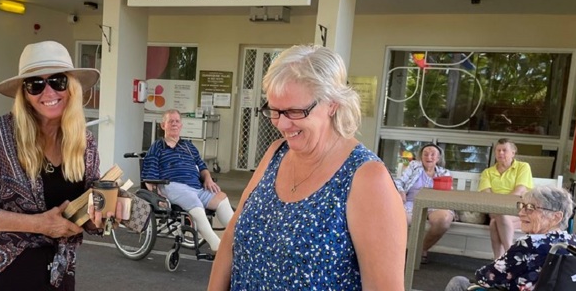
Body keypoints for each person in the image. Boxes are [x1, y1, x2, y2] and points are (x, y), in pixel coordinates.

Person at [208, 45, 406, 290]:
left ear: (332, 104)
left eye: (294, 111)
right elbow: (230, 238)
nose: (281, 123)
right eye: (274, 110)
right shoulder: (275, 154)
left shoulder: (367, 178)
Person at [0, 41, 115, 290]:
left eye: (58, 81)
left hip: (57, 273)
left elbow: (88, 210)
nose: (48, 93)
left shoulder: (84, 142)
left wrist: (104, 212)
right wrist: (39, 224)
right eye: (36, 84)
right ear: (25, 94)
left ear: (72, 87)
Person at [445, 186, 576, 291]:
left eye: (530, 208)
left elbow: (485, 278)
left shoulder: (530, 244)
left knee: (459, 282)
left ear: (556, 217)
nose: (521, 213)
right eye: (523, 206)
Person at [141, 109, 234, 256]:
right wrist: (155, 194)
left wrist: (208, 179)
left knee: (220, 197)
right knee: (193, 200)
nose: (174, 124)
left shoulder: (189, 147)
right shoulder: (157, 147)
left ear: (181, 125)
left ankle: (237, 239)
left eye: (177, 121)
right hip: (171, 185)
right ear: (163, 125)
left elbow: (202, 166)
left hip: (195, 187)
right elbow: (149, 174)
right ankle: (217, 245)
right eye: (170, 121)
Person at [394, 143, 454, 264]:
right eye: (425, 154)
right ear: (421, 156)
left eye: (433, 154)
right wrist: (400, 191)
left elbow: (448, 192)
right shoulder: (413, 166)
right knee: (399, 218)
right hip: (412, 203)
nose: (429, 157)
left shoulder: (444, 173)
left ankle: (420, 250)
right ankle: (396, 254)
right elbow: (399, 182)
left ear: (438, 158)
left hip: (435, 205)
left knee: (444, 219)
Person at [479, 138, 534, 258]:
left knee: (495, 222)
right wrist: (498, 208)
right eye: (498, 150)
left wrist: (500, 207)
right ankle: (508, 258)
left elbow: (519, 191)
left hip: (520, 210)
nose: (501, 153)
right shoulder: (487, 172)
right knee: (498, 217)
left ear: (513, 153)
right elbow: (486, 195)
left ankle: (501, 260)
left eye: (504, 150)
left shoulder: (523, 167)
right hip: (495, 210)